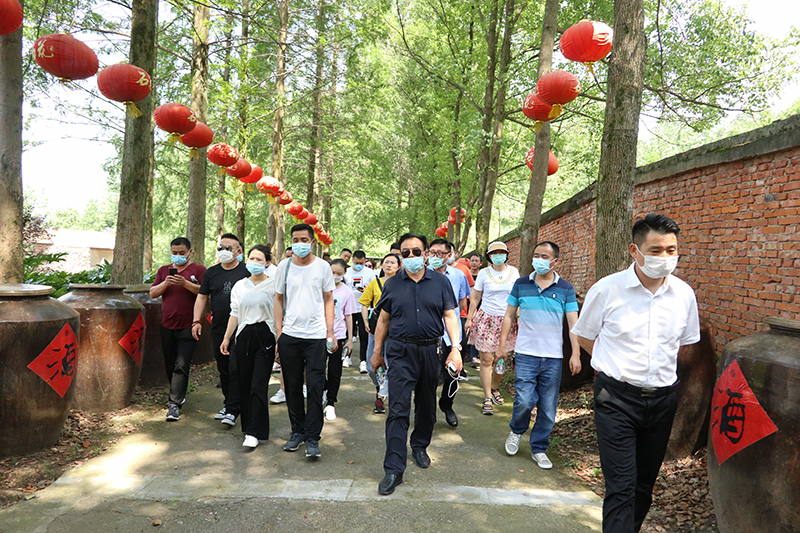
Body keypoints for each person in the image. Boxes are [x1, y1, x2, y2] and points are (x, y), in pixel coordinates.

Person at [571, 213, 700, 533]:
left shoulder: (684, 295)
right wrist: (612, 363)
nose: (665, 257)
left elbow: (684, 342)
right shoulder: (607, 290)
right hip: (616, 399)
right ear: (634, 250)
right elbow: (584, 336)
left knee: (643, 486)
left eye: (671, 250)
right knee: (621, 486)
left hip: (662, 402)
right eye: (655, 250)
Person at [371, 233, 462, 496]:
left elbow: (450, 316)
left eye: (416, 251)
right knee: (398, 409)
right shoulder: (392, 284)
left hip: (431, 351)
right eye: (405, 253)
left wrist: (455, 349)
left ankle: (420, 445)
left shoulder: (441, 282)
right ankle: (393, 469)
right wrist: (377, 353)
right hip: (400, 352)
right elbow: (383, 320)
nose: (411, 256)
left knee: (426, 405)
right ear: (400, 256)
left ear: (426, 254)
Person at [497, 241, 580, 470]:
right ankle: (516, 431)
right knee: (524, 400)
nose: (539, 260)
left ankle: (539, 448)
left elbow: (573, 324)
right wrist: (502, 346)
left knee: (548, 407)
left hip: (553, 358)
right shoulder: (521, 284)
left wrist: (576, 354)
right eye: (536, 255)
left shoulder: (566, 288)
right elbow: (509, 316)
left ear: (555, 261)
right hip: (526, 354)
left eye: (544, 256)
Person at [274, 223, 336, 459]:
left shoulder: (322, 267)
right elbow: (278, 299)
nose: (299, 244)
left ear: (312, 242)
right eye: (295, 240)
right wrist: (279, 333)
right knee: (292, 386)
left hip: (316, 336)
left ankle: (312, 437)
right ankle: (297, 431)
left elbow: (328, 299)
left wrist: (330, 331)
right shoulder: (285, 266)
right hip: (290, 335)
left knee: (315, 386)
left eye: (304, 240)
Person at [219, 245, 276, 448]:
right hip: (243, 336)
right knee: (245, 383)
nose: (254, 262)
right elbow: (234, 313)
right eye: (251, 258)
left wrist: (279, 340)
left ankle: (255, 432)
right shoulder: (239, 286)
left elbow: (280, 313)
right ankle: (248, 427)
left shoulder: (274, 285)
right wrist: (227, 338)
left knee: (258, 384)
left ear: (267, 263)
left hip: (266, 336)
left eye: (259, 259)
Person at [192, 233, 249, 427]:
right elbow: (202, 297)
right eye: (220, 248)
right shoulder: (211, 273)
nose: (223, 251)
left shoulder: (247, 271)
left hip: (242, 328)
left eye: (228, 248)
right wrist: (196, 321)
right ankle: (229, 403)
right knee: (223, 368)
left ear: (238, 251)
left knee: (235, 368)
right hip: (218, 328)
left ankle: (233, 409)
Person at [150, 237, 206, 421]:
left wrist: (185, 283)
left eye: (182, 253)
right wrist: (166, 283)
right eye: (174, 253)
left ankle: (174, 403)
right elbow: (153, 293)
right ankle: (178, 393)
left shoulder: (198, 270)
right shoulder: (163, 271)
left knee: (181, 364)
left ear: (190, 252)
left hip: (189, 326)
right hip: (167, 325)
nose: (178, 256)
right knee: (170, 363)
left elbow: (204, 292)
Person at [465, 241, 519, 415]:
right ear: (489, 256)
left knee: (501, 359)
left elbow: (517, 297)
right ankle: (487, 396)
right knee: (486, 360)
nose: (498, 255)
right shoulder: (483, 273)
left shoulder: (514, 272)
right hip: (486, 319)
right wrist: (469, 319)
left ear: (506, 254)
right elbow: (475, 298)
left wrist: (518, 317)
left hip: (507, 320)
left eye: (501, 252)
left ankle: (495, 387)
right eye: (494, 253)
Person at [427, 239, 470, 428]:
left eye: (440, 253)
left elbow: (461, 303)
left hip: (451, 333)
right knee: (428, 376)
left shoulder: (458, 275)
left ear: (449, 255)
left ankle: (446, 405)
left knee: (452, 373)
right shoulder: (422, 274)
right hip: (428, 333)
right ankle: (427, 412)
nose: (435, 257)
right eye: (432, 252)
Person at [359, 252, 401, 414]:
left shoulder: (403, 283)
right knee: (371, 366)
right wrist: (365, 321)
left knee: (390, 365)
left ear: (399, 266)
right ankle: (380, 386)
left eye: (393, 262)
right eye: (386, 262)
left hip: (395, 330)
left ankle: (381, 397)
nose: (389, 265)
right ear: (381, 265)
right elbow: (364, 303)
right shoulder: (375, 283)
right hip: (375, 328)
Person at [327, 259, 355, 420]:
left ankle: (331, 403)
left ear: (344, 274)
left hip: (338, 336)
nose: (335, 276)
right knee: (314, 369)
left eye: (339, 273)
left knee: (334, 371)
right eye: (332, 272)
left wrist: (350, 340)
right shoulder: (321, 288)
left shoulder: (347, 292)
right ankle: (323, 389)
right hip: (318, 334)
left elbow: (349, 316)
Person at [344, 250, 376, 373]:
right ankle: (346, 356)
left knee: (364, 335)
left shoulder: (369, 272)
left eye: (361, 263)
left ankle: (363, 360)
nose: (359, 265)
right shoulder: (346, 272)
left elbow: (374, 288)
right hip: (349, 308)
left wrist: (367, 290)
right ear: (352, 260)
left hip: (364, 308)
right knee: (348, 334)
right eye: (356, 263)